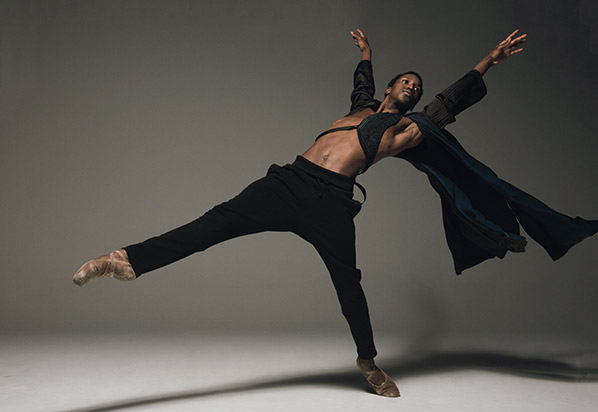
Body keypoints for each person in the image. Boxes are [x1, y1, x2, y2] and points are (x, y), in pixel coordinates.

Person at [73, 29, 597, 398]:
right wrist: (367, 53)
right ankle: (124, 260)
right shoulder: (361, 108)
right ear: (391, 87)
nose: (412, 88)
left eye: (417, 86)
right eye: (405, 82)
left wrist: (489, 60)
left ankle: (367, 360)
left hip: (329, 201)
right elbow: (363, 85)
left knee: (349, 282)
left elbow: (450, 100)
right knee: (212, 225)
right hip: (285, 182)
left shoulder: (409, 130)